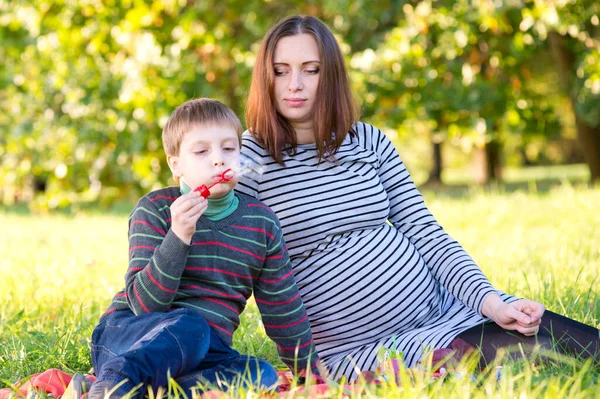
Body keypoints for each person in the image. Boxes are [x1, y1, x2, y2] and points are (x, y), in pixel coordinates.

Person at [236, 15, 600, 381]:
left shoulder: (367, 141)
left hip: (446, 310)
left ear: (329, 75)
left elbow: (425, 233)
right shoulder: (250, 159)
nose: (294, 85)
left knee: (576, 342)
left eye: (310, 70)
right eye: (281, 71)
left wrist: (492, 302)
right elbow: (225, 262)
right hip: (357, 349)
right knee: (520, 357)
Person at [87, 98, 319, 398]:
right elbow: (145, 306)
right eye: (201, 151)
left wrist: (311, 374)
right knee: (191, 326)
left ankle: (140, 390)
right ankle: (115, 384)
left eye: (229, 149)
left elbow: (283, 309)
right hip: (128, 337)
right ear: (176, 165)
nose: (218, 160)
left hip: (206, 351)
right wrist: (178, 235)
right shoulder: (155, 210)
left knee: (259, 375)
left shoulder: (261, 224)